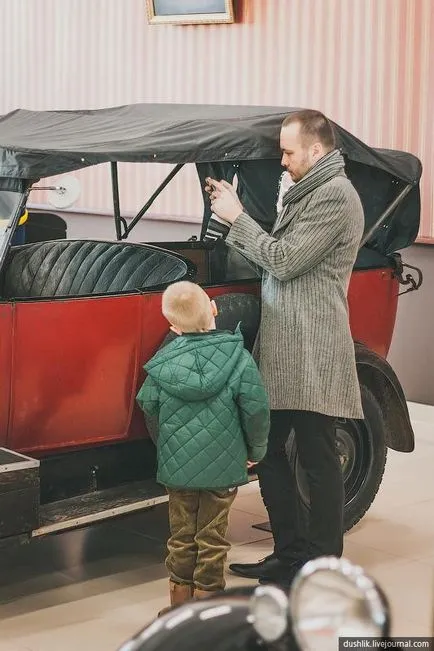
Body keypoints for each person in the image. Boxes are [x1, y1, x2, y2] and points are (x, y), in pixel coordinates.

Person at [204, 109, 365, 589]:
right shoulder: (308, 189)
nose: (282, 160)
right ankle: (290, 552)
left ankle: (322, 562)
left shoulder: (336, 196)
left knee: (316, 456)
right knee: (270, 450)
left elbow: (284, 259)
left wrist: (237, 218)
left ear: (316, 151)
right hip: (287, 343)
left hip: (312, 346)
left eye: (289, 151)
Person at [136, 280, 270, 613]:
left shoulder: (163, 364)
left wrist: (168, 444)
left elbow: (148, 404)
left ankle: (178, 607)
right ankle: (206, 609)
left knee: (181, 537)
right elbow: (256, 410)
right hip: (223, 470)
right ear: (213, 308)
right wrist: (255, 450)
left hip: (178, 470)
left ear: (172, 326)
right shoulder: (238, 359)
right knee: (213, 538)